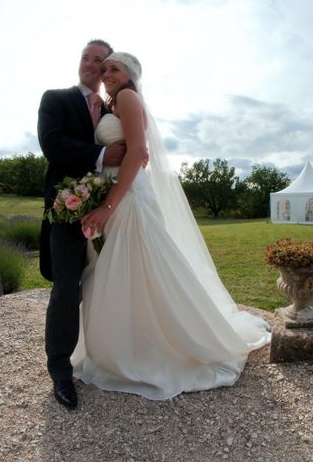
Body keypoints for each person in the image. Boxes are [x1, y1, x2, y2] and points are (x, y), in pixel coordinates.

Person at [75, 52, 271, 400]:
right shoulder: (114, 106)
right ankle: (133, 339)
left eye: (113, 68)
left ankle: (148, 347)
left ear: (130, 74)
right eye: (104, 69)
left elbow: (137, 152)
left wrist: (107, 206)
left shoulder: (127, 97)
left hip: (128, 199)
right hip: (119, 194)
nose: (106, 73)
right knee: (128, 271)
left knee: (141, 267)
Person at [38, 39, 127, 409]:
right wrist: (103, 152)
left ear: (110, 70)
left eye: (101, 60)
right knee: (66, 286)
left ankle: (111, 354)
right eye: (87, 57)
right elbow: (53, 144)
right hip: (67, 209)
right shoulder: (56, 99)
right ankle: (60, 370)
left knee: (111, 282)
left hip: (113, 210)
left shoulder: (114, 107)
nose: (92, 64)